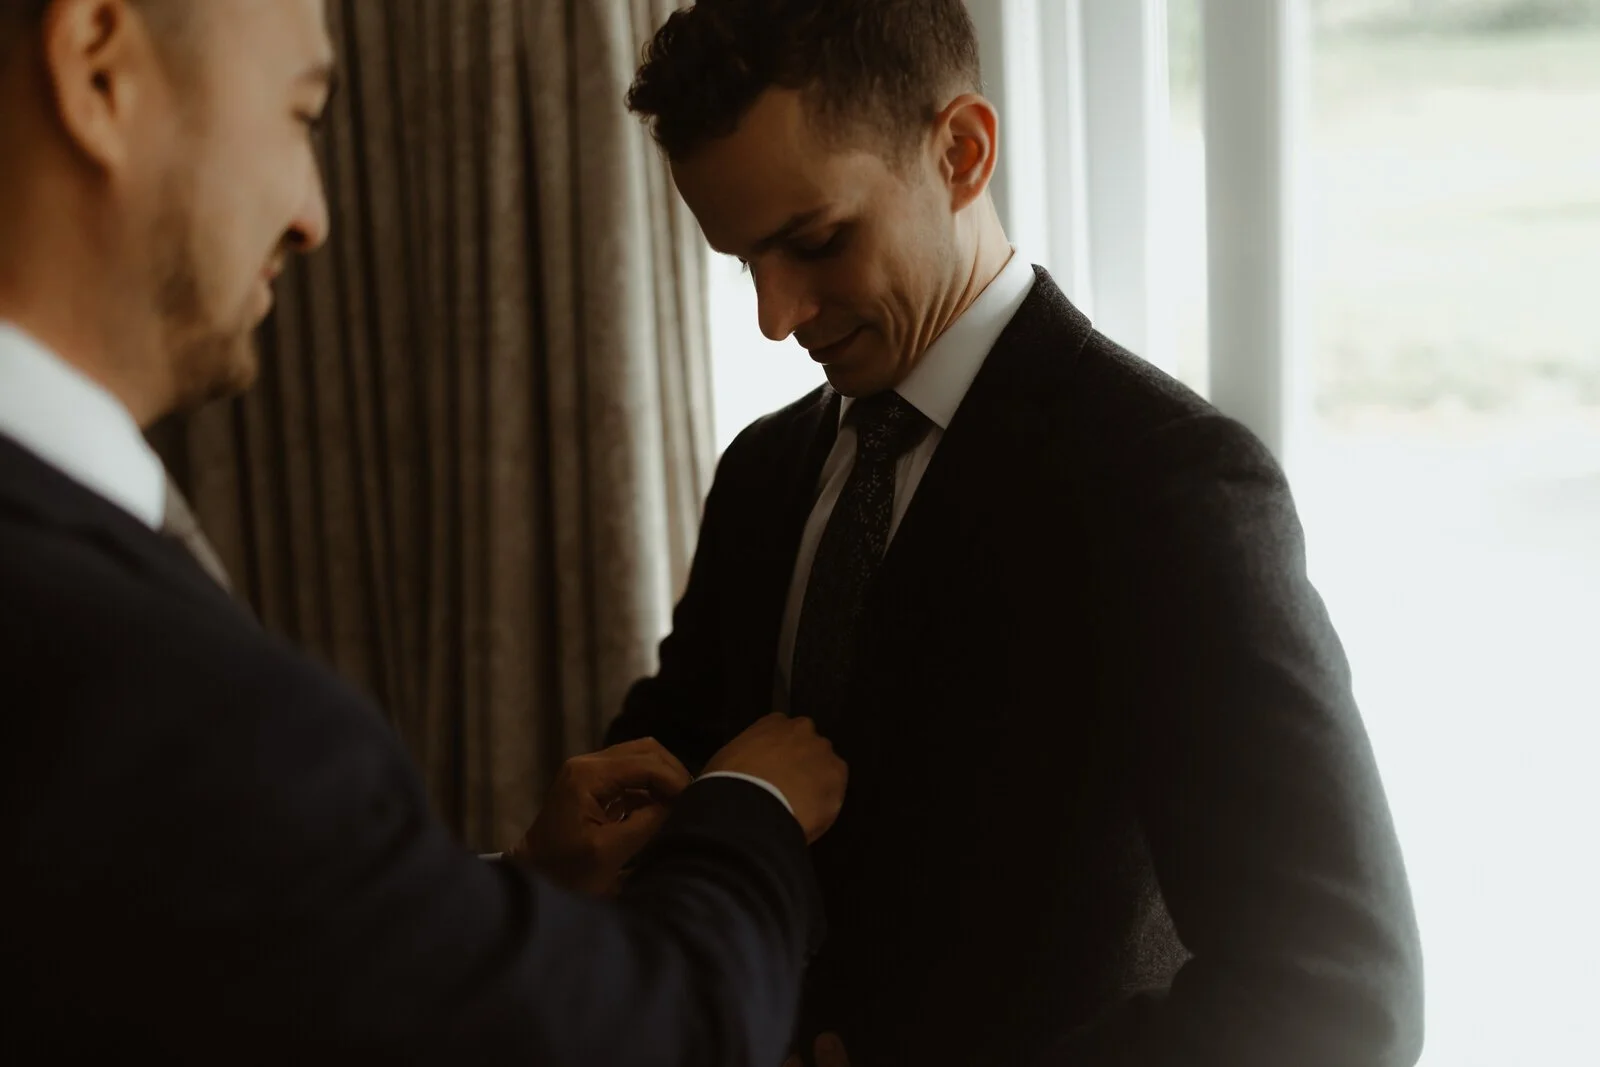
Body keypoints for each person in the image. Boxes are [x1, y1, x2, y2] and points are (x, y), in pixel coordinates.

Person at [0, 1, 849, 1061]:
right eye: (301, 113)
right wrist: (749, 812)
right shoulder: (156, 690)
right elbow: (657, 1038)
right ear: (97, 71)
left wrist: (510, 889)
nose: (313, 217)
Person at [605, 2, 1426, 1065]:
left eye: (814, 241)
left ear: (961, 151)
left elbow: (1337, 995)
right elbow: (677, 770)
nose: (775, 316)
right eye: (743, 259)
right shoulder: (761, 473)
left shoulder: (1170, 487)